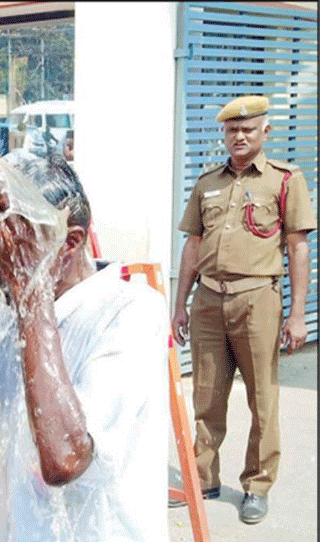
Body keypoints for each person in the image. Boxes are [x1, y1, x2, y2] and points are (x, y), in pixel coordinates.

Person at [0, 149, 169, 541]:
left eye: (16, 240)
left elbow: (65, 459)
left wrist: (33, 295)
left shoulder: (128, 311)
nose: (1, 257)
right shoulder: (6, 314)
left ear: (70, 243)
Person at [170, 95, 316, 524]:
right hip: (209, 300)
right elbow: (192, 244)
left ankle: (256, 485)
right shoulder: (208, 182)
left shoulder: (286, 181)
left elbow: (297, 247)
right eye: (232, 130)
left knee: (263, 399)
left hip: (258, 301)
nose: (239, 136)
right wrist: (180, 305)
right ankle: (203, 477)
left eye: (248, 129)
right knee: (207, 395)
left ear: (265, 132)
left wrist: (296, 315)